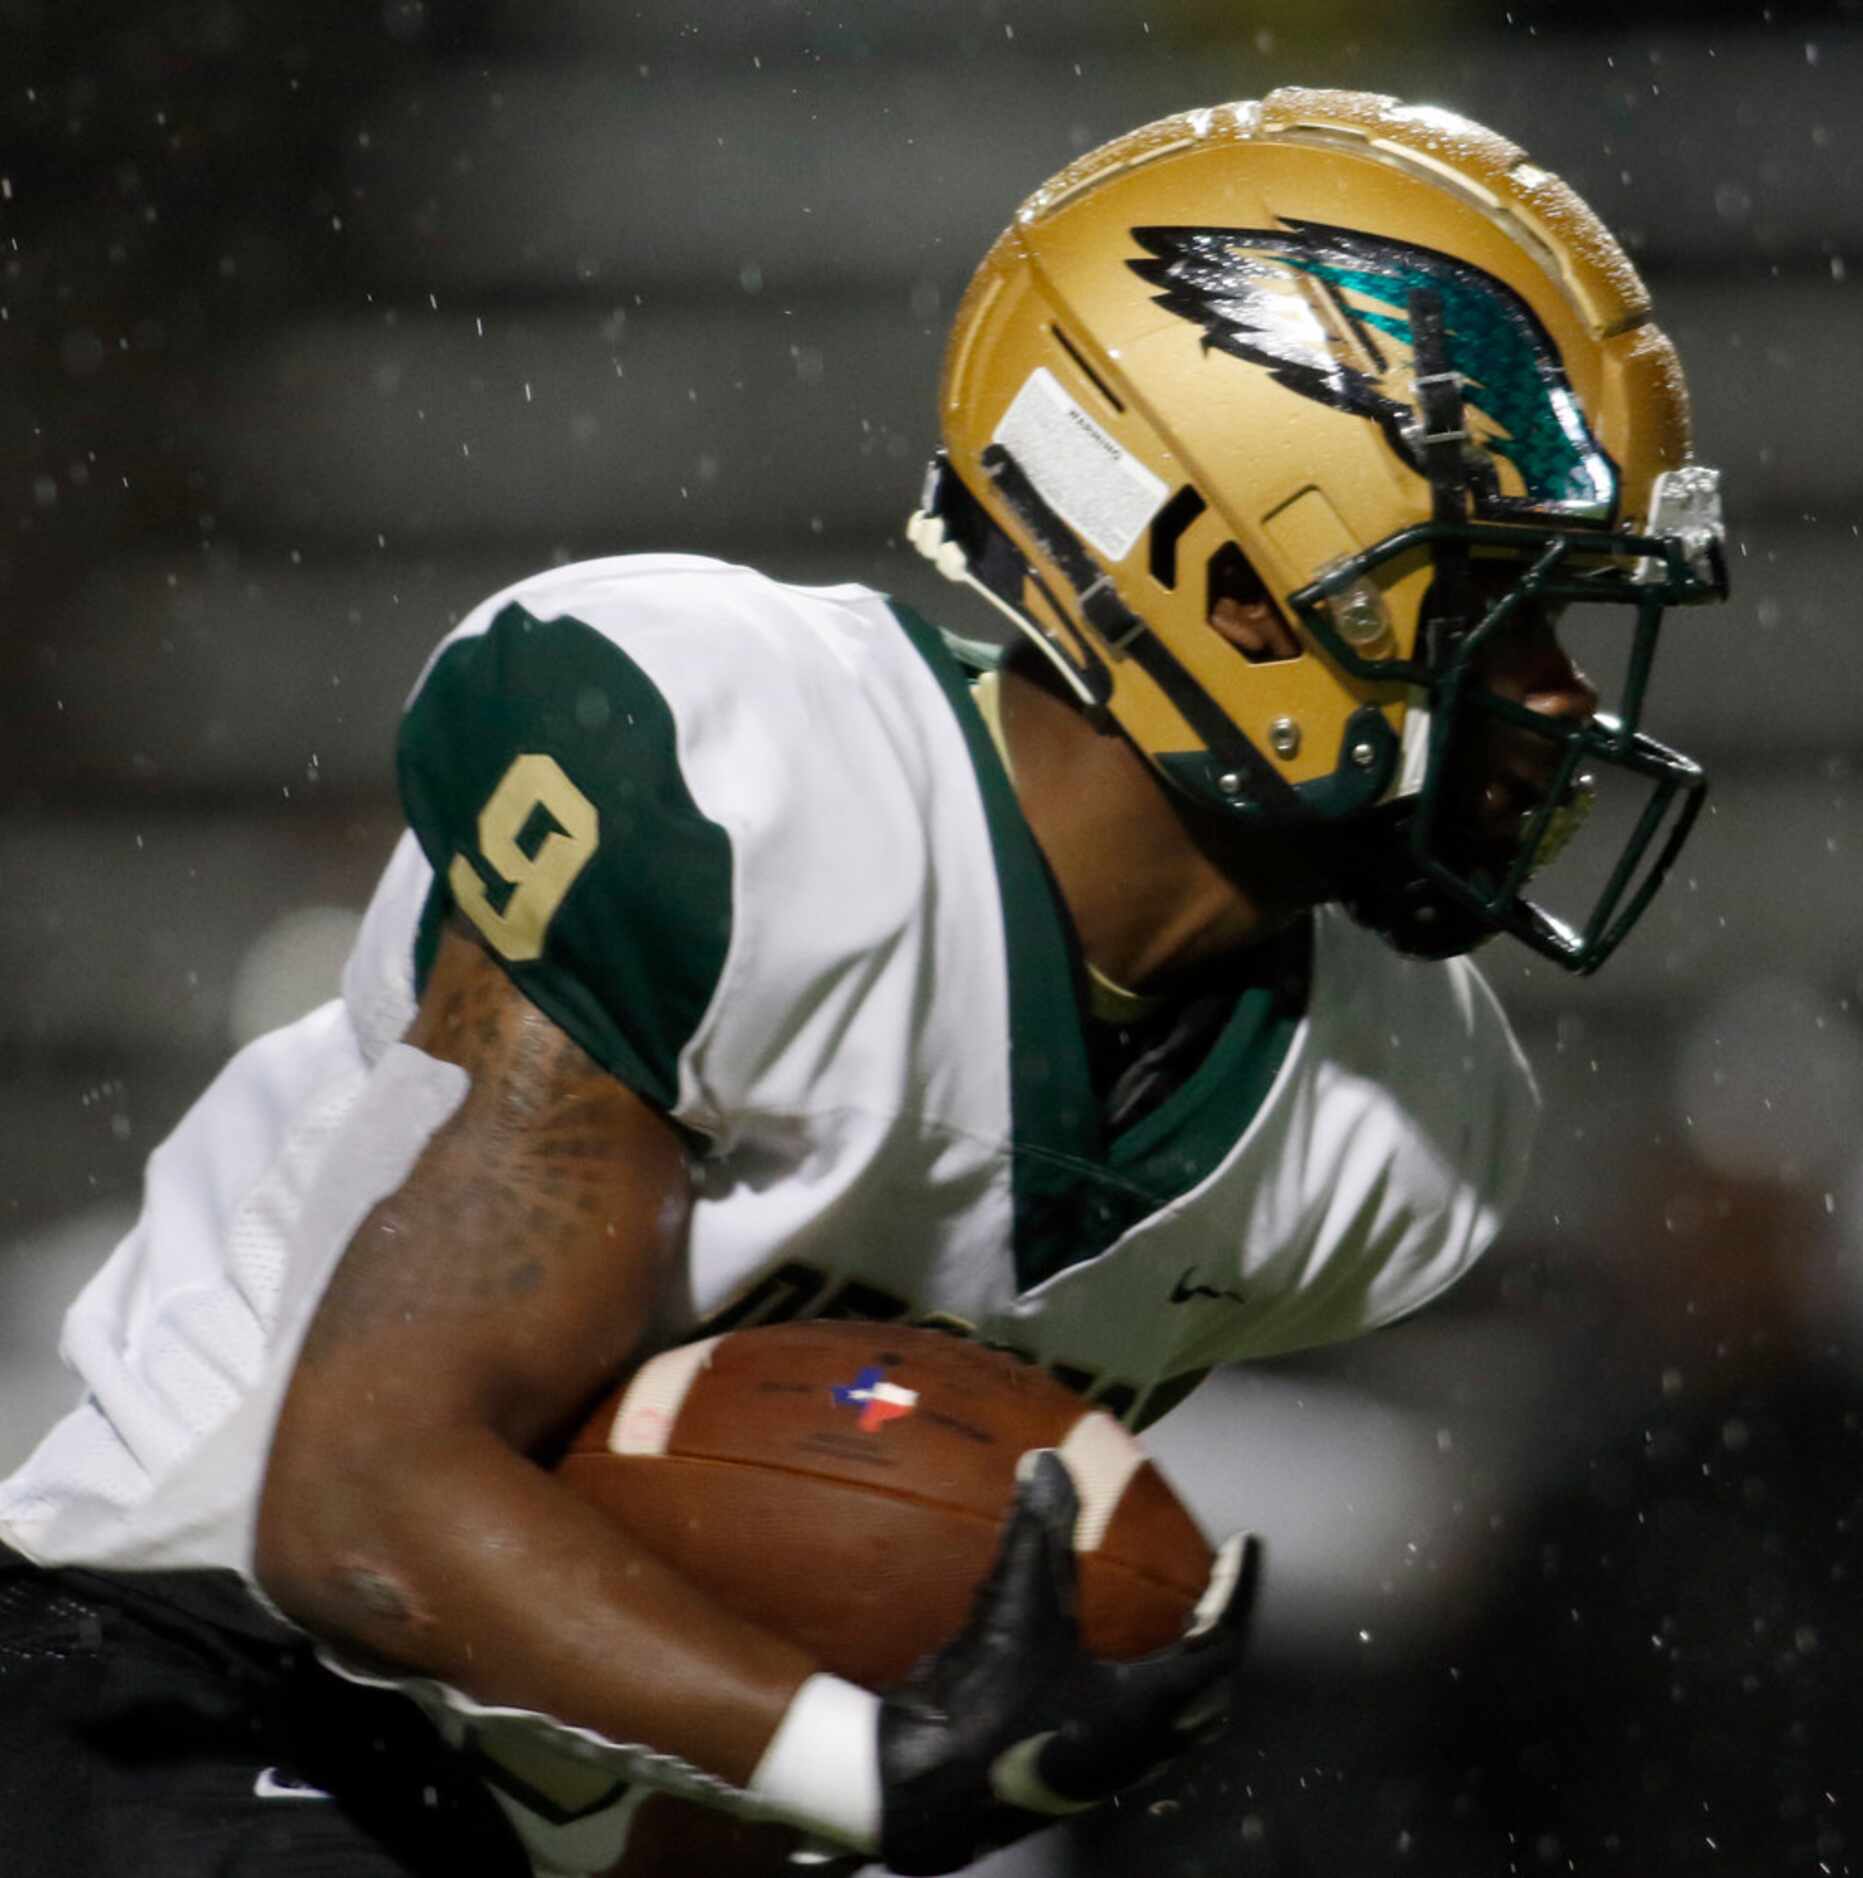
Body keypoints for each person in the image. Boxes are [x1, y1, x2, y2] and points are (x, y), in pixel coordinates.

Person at [0, 86, 1726, 1878]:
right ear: (1229, 580)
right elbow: (359, 1503)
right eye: (1489, 606)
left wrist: (854, 1760)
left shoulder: (1391, 1126)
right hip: (203, 1693)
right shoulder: (741, 780)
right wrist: (882, 1765)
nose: (1556, 701)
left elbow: (794, 1596)